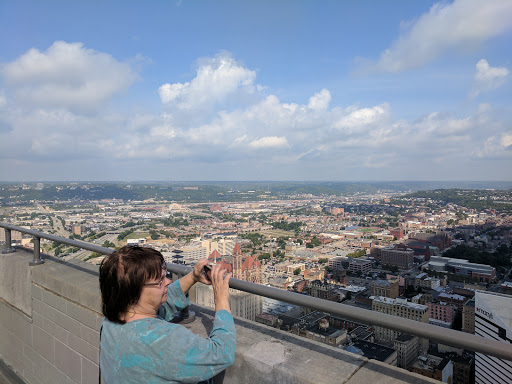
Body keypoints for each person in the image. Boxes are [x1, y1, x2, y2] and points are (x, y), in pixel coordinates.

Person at [99, 246, 235, 383]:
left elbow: (159, 304)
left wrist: (193, 277)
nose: (168, 281)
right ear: (135, 292)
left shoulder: (110, 322)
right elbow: (222, 353)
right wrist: (221, 299)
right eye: (160, 281)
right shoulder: (166, 340)